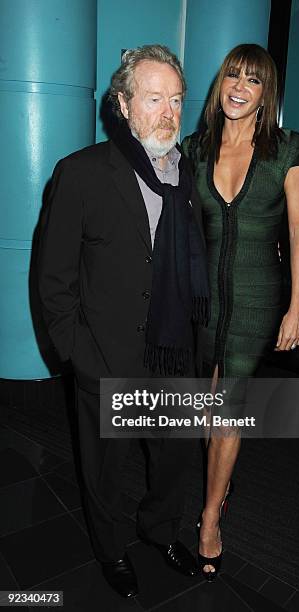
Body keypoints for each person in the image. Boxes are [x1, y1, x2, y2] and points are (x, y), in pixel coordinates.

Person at [38, 44, 210, 598]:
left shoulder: (189, 177)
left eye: (177, 100)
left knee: (173, 456)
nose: (169, 112)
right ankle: (110, 548)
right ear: (123, 104)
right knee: (105, 467)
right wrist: (78, 356)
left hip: (173, 350)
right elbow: (53, 281)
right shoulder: (82, 174)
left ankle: (160, 531)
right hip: (106, 355)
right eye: (155, 98)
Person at [182, 43, 299, 580]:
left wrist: (298, 306)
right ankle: (221, 477)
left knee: (227, 409)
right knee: (209, 407)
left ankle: (210, 516)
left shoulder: (287, 149)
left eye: (253, 81)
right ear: (220, 84)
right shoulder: (195, 148)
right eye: (233, 75)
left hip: (258, 298)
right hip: (202, 298)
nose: (240, 86)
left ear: (265, 94)